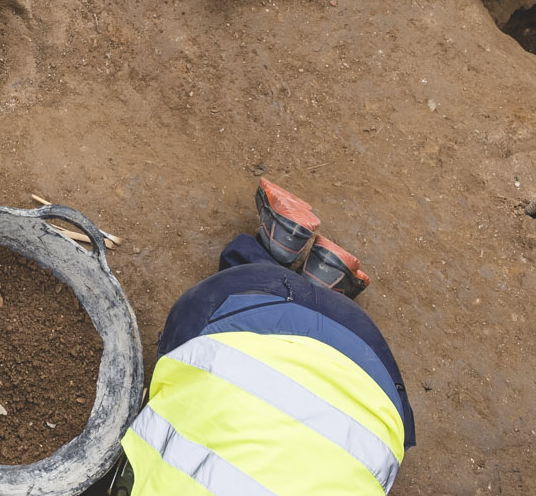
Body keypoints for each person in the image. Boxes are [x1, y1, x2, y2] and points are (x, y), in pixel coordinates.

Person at [118, 211, 415, 494]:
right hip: (257, 319)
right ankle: (279, 250)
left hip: (375, 373)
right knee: (187, 356)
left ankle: (317, 275)